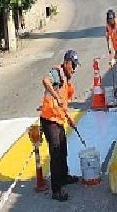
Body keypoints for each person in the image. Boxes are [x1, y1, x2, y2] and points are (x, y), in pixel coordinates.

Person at [40, 50, 81, 202]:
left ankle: (63, 177)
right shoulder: (57, 73)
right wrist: (55, 96)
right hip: (49, 120)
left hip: (58, 119)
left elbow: (64, 104)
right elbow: (45, 80)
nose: (74, 69)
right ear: (66, 62)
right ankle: (56, 190)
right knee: (56, 153)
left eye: (76, 66)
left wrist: (69, 118)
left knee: (63, 149)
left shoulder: (67, 81)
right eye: (73, 65)